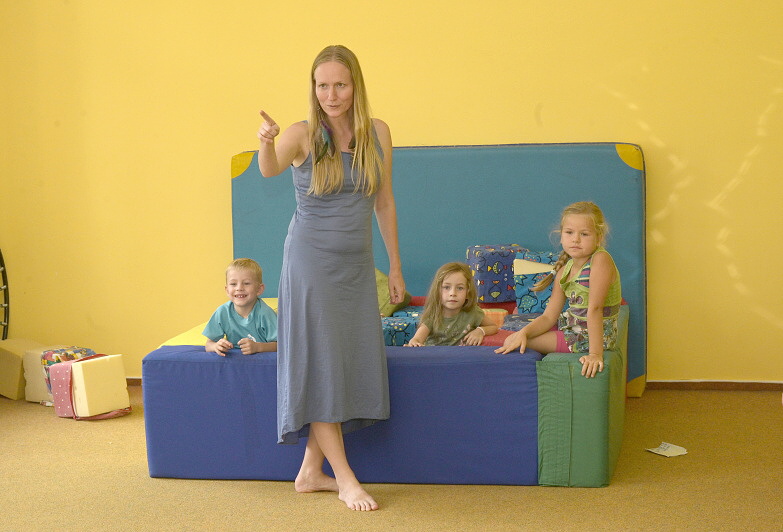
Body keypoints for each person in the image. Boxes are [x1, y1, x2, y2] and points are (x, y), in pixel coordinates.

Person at [256, 45, 404, 512]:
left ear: (355, 86)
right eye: (322, 85)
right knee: (320, 365)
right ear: (313, 88)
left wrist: (395, 265)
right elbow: (268, 169)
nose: (331, 95)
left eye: (340, 84)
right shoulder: (302, 134)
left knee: (339, 363)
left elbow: (384, 202)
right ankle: (345, 478)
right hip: (310, 265)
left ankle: (309, 472)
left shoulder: (378, 132)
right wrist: (266, 140)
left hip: (355, 267)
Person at [495, 201, 622, 378]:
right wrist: (523, 332)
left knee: (514, 341)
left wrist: (595, 354)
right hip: (572, 329)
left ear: (599, 237)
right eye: (569, 232)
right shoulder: (564, 271)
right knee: (518, 336)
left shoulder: (600, 260)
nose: (575, 239)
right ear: (561, 236)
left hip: (589, 338)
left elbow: (595, 308)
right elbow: (548, 317)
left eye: (584, 234)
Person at [405, 262, 498, 346]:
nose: (453, 293)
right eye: (446, 287)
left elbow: (493, 327)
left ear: (468, 293)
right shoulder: (433, 316)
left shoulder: (473, 312)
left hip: (461, 357)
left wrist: (480, 331)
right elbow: (417, 339)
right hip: (435, 357)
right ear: (438, 291)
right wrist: (414, 343)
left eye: (460, 288)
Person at [203, 258, 278, 356]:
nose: (239, 288)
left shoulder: (265, 313)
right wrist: (216, 346)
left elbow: (280, 345)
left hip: (261, 361)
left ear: (259, 289)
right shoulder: (222, 312)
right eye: (233, 284)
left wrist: (258, 347)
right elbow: (208, 344)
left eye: (246, 283)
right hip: (236, 362)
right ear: (227, 290)